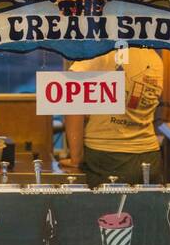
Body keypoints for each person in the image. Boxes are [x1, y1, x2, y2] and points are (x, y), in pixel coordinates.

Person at [65, 46, 164, 188]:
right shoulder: (154, 57)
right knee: (144, 208)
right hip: (149, 155)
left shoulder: (102, 51)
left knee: (110, 210)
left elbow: (70, 93)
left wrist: (76, 158)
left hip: (106, 157)